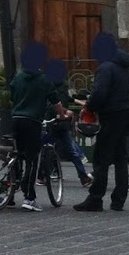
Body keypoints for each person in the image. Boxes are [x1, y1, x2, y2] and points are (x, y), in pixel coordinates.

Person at [76, 32, 129, 213]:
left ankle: (95, 198)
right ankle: (119, 200)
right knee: (120, 159)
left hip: (111, 116)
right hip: (124, 114)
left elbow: (100, 94)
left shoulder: (106, 68)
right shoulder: (125, 67)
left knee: (101, 159)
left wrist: (90, 106)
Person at [8, 42, 55, 212]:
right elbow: (55, 100)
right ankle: (30, 197)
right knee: (32, 158)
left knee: (17, 155)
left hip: (16, 119)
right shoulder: (44, 79)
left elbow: (12, 95)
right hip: (32, 121)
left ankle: (11, 192)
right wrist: (64, 115)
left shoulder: (18, 77)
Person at [43, 60, 91, 188]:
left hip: (60, 123)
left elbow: (65, 99)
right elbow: (52, 104)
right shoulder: (52, 85)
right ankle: (83, 177)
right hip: (56, 122)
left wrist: (79, 102)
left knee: (58, 150)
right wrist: (65, 112)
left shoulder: (57, 85)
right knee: (61, 150)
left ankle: (83, 177)